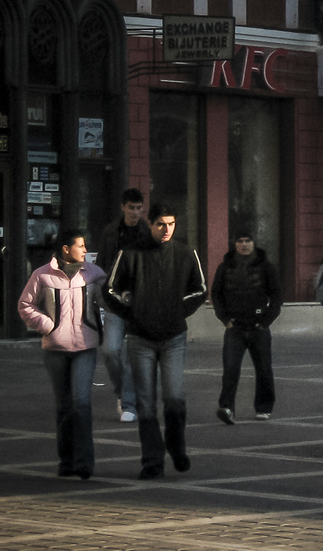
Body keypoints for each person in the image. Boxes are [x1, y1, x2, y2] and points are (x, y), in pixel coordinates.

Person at [104, 201, 208, 479]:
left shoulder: (186, 253)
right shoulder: (130, 253)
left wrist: (177, 310)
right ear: (150, 224)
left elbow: (200, 290)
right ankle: (152, 460)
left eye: (171, 224)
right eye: (161, 223)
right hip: (140, 339)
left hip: (174, 337)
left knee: (174, 398)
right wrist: (132, 312)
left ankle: (176, 445)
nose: (166, 229)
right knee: (146, 403)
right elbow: (110, 289)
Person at [17, 229, 105, 479]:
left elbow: (110, 298)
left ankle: (85, 463)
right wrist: (48, 326)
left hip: (85, 348)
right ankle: (66, 461)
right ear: (66, 249)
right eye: (81, 246)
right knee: (65, 406)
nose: (86, 250)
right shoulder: (42, 275)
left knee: (81, 403)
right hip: (55, 350)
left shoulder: (93, 274)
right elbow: (25, 305)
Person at [210, 231, 283, 424]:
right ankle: (226, 407)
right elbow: (216, 295)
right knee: (231, 369)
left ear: (253, 243)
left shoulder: (266, 267)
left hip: (258, 327)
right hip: (235, 328)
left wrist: (265, 321)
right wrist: (225, 319)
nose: (244, 244)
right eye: (240, 241)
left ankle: (264, 407)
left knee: (264, 369)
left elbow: (277, 296)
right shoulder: (225, 267)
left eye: (247, 241)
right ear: (235, 244)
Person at [97, 187, 147, 423]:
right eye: (132, 208)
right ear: (123, 207)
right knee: (110, 351)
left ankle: (128, 403)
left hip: (140, 304)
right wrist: (104, 294)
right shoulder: (110, 232)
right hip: (115, 301)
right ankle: (122, 391)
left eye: (139, 208)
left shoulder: (148, 232)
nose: (136, 212)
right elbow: (102, 266)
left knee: (134, 356)